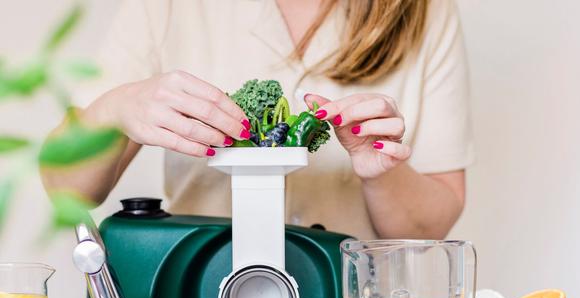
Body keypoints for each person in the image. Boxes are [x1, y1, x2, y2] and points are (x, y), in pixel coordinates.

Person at [42, 0, 473, 240]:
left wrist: (380, 171)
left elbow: (430, 226)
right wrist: (116, 110)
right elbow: (66, 188)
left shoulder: (425, 11)